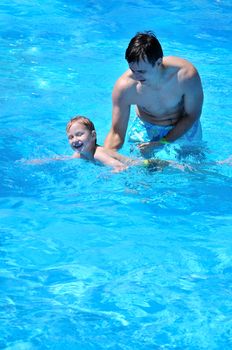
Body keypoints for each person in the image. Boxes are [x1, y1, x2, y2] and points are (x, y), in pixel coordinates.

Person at [104, 31, 204, 155]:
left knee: (192, 169)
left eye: (141, 71)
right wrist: (107, 157)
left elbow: (192, 115)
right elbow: (116, 133)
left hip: (184, 127)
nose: (136, 76)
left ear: (158, 63)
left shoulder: (185, 75)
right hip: (148, 130)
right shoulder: (125, 87)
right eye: (132, 70)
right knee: (144, 170)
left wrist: (163, 142)